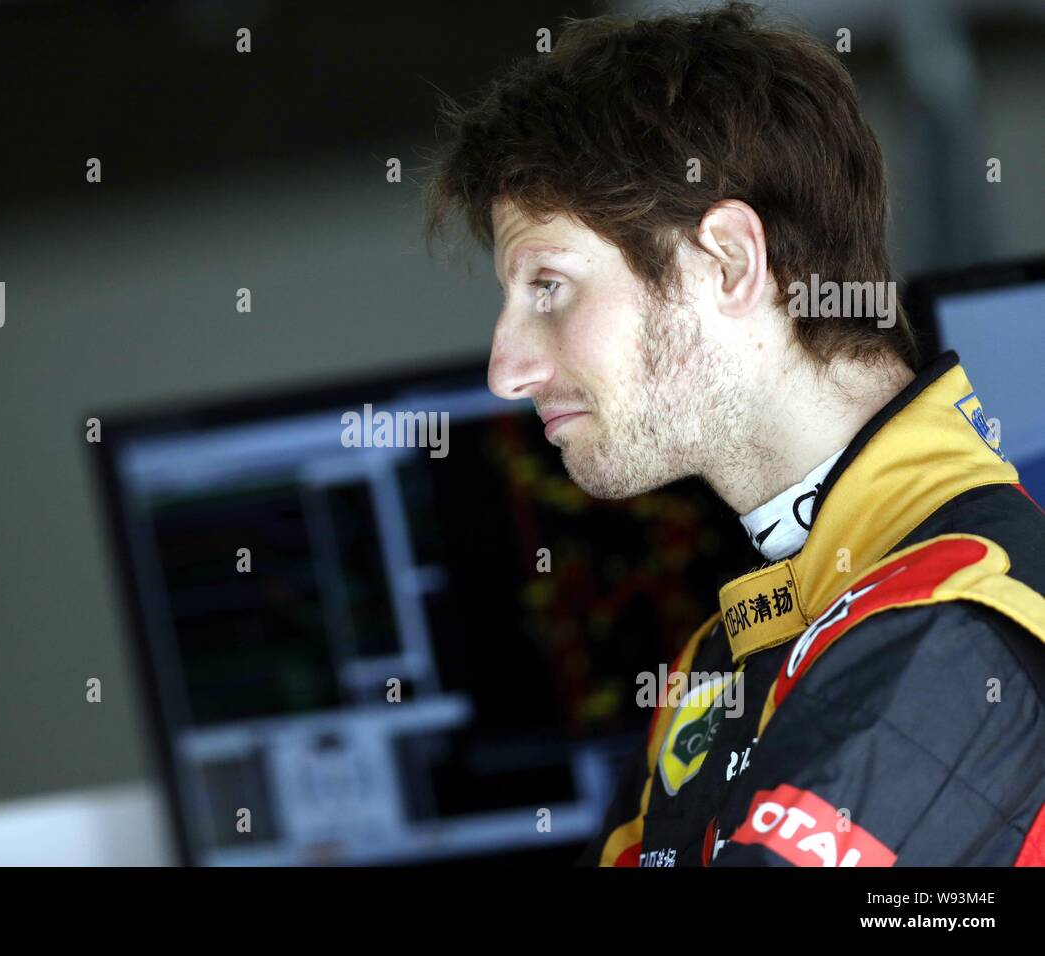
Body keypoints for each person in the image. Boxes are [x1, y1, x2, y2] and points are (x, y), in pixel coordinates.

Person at [420, 2, 1045, 866]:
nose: (507, 369)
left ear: (728, 264)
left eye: (550, 287)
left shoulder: (961, 621)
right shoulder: (714, 668)